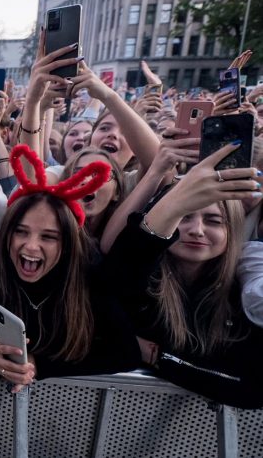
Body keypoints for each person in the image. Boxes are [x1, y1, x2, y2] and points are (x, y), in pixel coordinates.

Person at [103, 144, 263, 408]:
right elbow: (122, 261)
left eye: (213, 221)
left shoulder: (241, 294)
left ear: (232, 230)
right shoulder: (142, 281)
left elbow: (252, 386)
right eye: (184, 217)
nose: (197, 230)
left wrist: (156, 357)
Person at [0, 145, 141, 391]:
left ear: (68, 243)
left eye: (48, 237)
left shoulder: (91, 281)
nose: (31, 246)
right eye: (21, 231)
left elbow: (126, 354)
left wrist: (41, 365)